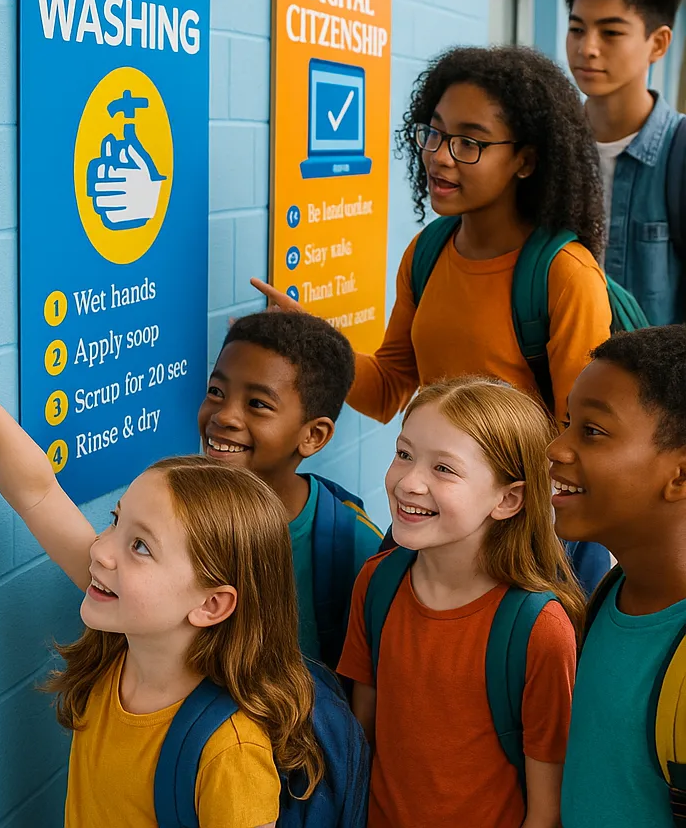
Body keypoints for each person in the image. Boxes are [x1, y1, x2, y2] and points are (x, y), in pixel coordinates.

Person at [0, 281, 318, 828]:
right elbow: (37, 491)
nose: (101, 552)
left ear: (211, 604)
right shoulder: (121, 646)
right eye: (115, 524)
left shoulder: (230, 753)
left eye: (139, 546)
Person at [254, 45, 611, 427]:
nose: (440, 156)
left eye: (469, 143)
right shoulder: (427, 252)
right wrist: (312, 339)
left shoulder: (566, 277)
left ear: (525, 161)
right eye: (435, 133)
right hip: (426, 484)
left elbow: (579, 438)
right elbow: (386, 390)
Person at [338, 377, 582, 828]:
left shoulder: (539, 630)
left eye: (444, 469)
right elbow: (360, 742)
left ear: (508, 499)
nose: (408, 482)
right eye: (404, 454)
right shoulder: (376, 583)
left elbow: (546, 811)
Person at [549, 325, 686, 827]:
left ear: (680, 476)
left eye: (593, 431)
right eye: (566, 422)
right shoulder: (612, 593)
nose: (555, 449)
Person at [199, 310, 382, 665]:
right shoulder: (176, 511)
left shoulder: (354, 548)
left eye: (258, 404)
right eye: (216, 391)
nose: (224, 416)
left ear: (313, 436)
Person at [564, 0, 685, 326]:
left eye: (611, 32)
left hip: (653, 381)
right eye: (577, 29)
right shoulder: (548, 148)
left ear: (658, 43)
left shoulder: (677, 152)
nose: (588, 48)